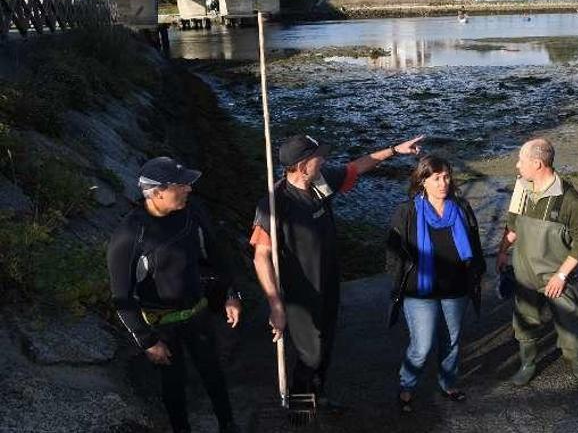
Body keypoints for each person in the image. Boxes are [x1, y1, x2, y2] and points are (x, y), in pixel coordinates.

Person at [250, 133, 423, 406]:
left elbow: (356, 167)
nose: (325, 158)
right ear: (303, 164)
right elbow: (261, 256)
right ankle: (300, 407)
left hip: (329, 283)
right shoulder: (274, 204)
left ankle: (319, 395)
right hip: (300, 292)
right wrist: (275, 305)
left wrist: (393, 150)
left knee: (327, 345)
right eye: (319, 155)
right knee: (311, 353)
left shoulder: (320, 183)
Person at [107, 157, 242, 433]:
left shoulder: (192, 213)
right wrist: (147, 341)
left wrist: (231, 293)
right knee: (173, 385)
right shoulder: (130, 234)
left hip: (198, 312)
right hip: (161, 324)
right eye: (182, 185)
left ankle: (228, 425)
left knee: (213, 374)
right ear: (157, 192)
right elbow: (121, 297)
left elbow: (216, 254)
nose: (189, 189)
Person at [495, 138, 578, 404]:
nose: (517, 165)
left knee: (572, 330)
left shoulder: (569, 200)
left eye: (521, 160)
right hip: (524, 275)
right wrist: (502, 252)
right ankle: (528, 366)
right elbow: (512, 227)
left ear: (537, 163)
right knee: (524, 324)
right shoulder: (521, 187)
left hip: (555, 279)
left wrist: (562, 275)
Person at [386, 156, 486, 412]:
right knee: (422, 345)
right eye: (436, 178)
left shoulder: (461, 207)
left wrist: (477, 273)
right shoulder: (406, 211)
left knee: (451, 341)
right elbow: (393, 253)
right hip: (419, 291)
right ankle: (407, 385)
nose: (443, 183)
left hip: (456, 289)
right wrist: (396, 282)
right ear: (422, 181)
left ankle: (448, 383)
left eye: (446, 177)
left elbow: (474, 244)